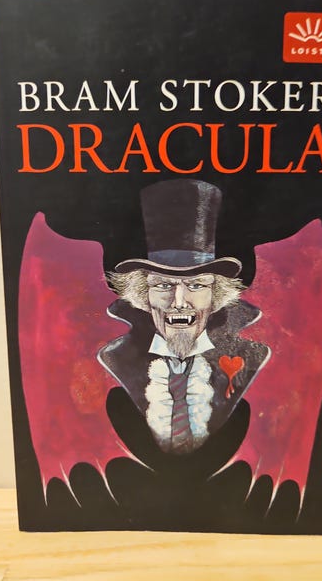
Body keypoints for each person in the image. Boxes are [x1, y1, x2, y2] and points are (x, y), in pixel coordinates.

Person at [98, 179, 270, 454]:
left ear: (216, 296)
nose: (178, 303)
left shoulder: (252, 357)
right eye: (163, 285)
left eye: (197, 285)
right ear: (144, 295)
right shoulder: (114, 359)